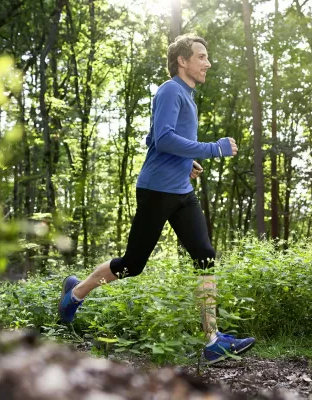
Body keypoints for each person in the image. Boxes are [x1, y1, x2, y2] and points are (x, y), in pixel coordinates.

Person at [58, 34, 255, 365]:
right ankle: (75, 294)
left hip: (182, 192)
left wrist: (186, 161)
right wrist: (211, 149)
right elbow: (163, 139)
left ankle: (212, 341)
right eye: (202, 57)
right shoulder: (170, 90)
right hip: (156, 191)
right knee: (131, 265)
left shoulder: (187, 97)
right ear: (183, 61)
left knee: (205, 256)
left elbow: (154, 136)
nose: (208, 63)